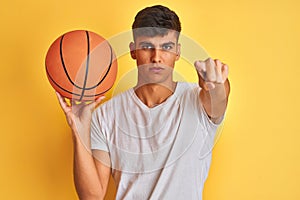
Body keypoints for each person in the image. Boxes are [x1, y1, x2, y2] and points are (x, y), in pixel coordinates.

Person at [56, 5, 230, 200]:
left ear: (178, 52)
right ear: (133, 51)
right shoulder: (105, 114)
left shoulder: (199, 102)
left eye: (166, 47)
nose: (156, 57)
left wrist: (216, 82)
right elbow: (92, 197)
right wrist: (78, 129)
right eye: (147, 46)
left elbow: (219, 97)